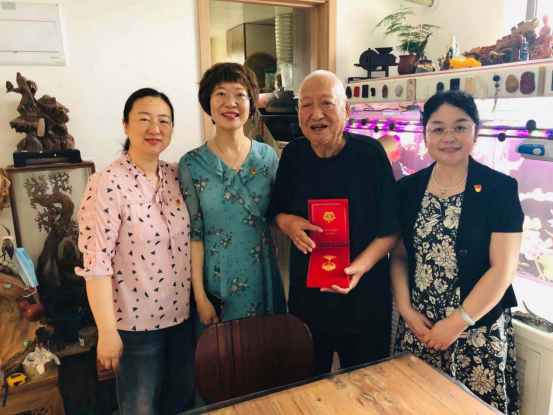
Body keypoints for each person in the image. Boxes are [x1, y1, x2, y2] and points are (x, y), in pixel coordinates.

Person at [391, 90, 522, 414]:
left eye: (460, 127)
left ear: (475, 132)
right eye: (437, 129)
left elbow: (503, 269)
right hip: (419, 327)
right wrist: (406, 311)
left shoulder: (499, 189)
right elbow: (401, 255)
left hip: (476, 331)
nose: (448, 137)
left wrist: (457, 322)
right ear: (425, 135)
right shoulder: (407, 189)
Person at [268, 70, 400, 375]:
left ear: (346, 110)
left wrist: (359, 268)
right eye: (306, 105)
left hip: (364, 298)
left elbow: (391, 229)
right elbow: (276, 212)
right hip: (308, 301)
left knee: (366, 388)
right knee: (307, 386)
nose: (316, 114)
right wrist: (287, 222)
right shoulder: (293, 155)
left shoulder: (370, 154)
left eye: (327, 103)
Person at [76, 88, 194, 414]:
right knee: (139, 409)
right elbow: (96, 263)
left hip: (182, 320)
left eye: (164, 121)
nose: (155, 128)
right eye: (144, 119)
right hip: (135, 329)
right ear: (126, 125)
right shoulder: (107, 182)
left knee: (181, 404)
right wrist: (106, 332)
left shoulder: (176, 175)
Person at [178, 63, 286, 333]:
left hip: (262, 271)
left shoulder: (268, 156)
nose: (231, 102)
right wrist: (200, 297)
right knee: (223, 353)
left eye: (240, 94)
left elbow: (275, 216)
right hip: (218, 278)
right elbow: (194, 235)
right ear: (208, 102)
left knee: (265, 349)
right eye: (220, 94)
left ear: (251, 102)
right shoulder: (192, 163)